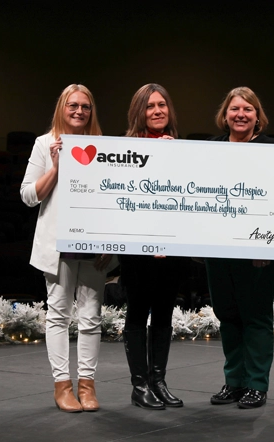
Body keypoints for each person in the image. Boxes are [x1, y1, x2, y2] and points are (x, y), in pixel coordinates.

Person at [20, 84, 113, 413]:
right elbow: (29, 195)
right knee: (58, 314)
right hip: (58, 245)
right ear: (62, 107)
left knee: (91, 316)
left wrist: (109, 242)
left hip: (92, 244)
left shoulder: (102, 147)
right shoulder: (44, 145)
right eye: (73, 105)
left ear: (91, 111)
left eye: (85, 106)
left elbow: (109, 198)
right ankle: (63, 386)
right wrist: (57, 168)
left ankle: (87, 386)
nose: (79, 111)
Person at [205, 87, 274, 409]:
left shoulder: (273, 150)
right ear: (225, 115)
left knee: (256, 317)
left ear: (257, 116)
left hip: (256, 251)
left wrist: (270, 246)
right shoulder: (211, 149)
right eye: (235, 109)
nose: (240, 114)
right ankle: (234, 382)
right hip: (218, 248)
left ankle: (256, 385)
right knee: (228, 315)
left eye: (248, 109)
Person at [120, 83, 190, 409]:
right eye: (150, 106)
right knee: (138, 312)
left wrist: (174, 155)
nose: (157, 111)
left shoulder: (180, 148)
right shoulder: (125, 149)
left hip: (172, 246)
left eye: (162, 105)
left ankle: (158, 380)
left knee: (163, 313)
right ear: (140, 112)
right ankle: (139, 386)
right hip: (137, 249)